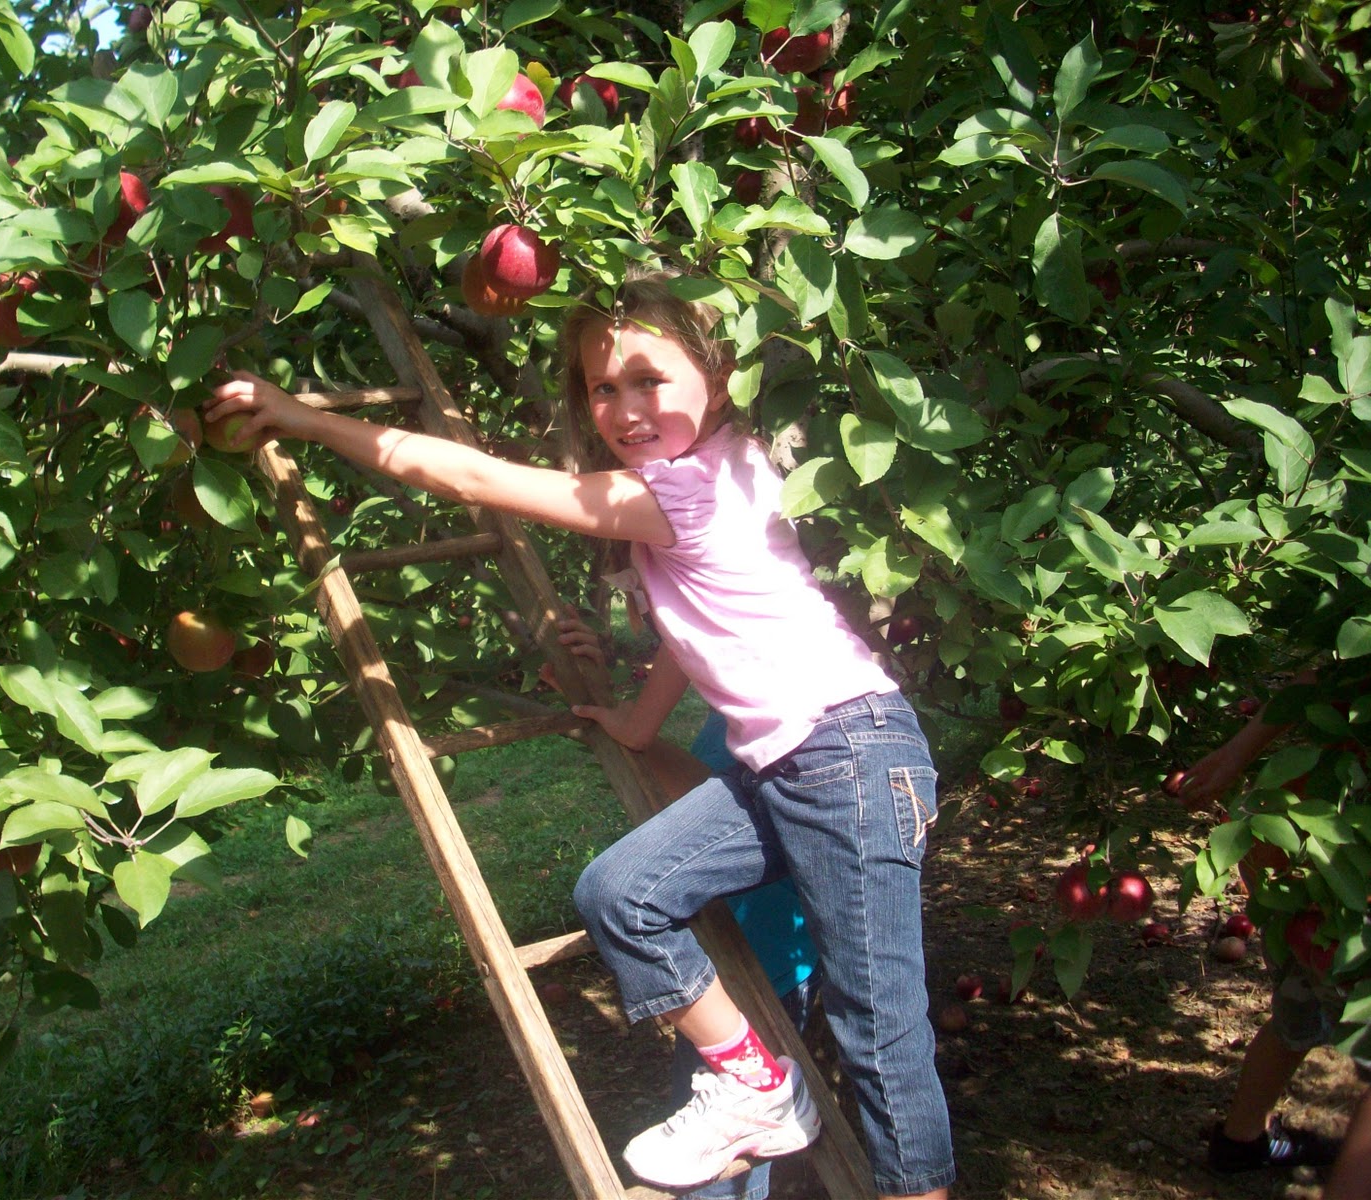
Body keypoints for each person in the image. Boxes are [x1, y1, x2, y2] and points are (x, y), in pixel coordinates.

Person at [207, 270, 954, 1197]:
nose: (626, 407)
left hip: (848, 750)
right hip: (790, 764)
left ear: (718, 375)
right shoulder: (704, 480)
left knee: (878, 1027)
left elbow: (476, 477)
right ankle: (757, 1083)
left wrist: (311, 420)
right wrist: (637, 719)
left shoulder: (684, 493)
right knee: (622, 891)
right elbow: (702, 629)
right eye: (603, 388)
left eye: (649, 379)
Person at [549, 615, 821, 1200]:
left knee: (726, 1153)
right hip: (718, 952)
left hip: (756, 955)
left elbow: (720, 802)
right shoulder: (736, 708)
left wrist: (634, 730)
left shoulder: (767, 713)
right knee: (728, 1135)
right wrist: (609, 711)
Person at [1173, 672, 1345, 1175]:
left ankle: (1240, 1140)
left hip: (1308, 852)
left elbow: (1315, 680)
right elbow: (1319, 681)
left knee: (1299, 1005)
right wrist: (1235, 755)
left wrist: (1238, 753)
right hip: (1330, 860)